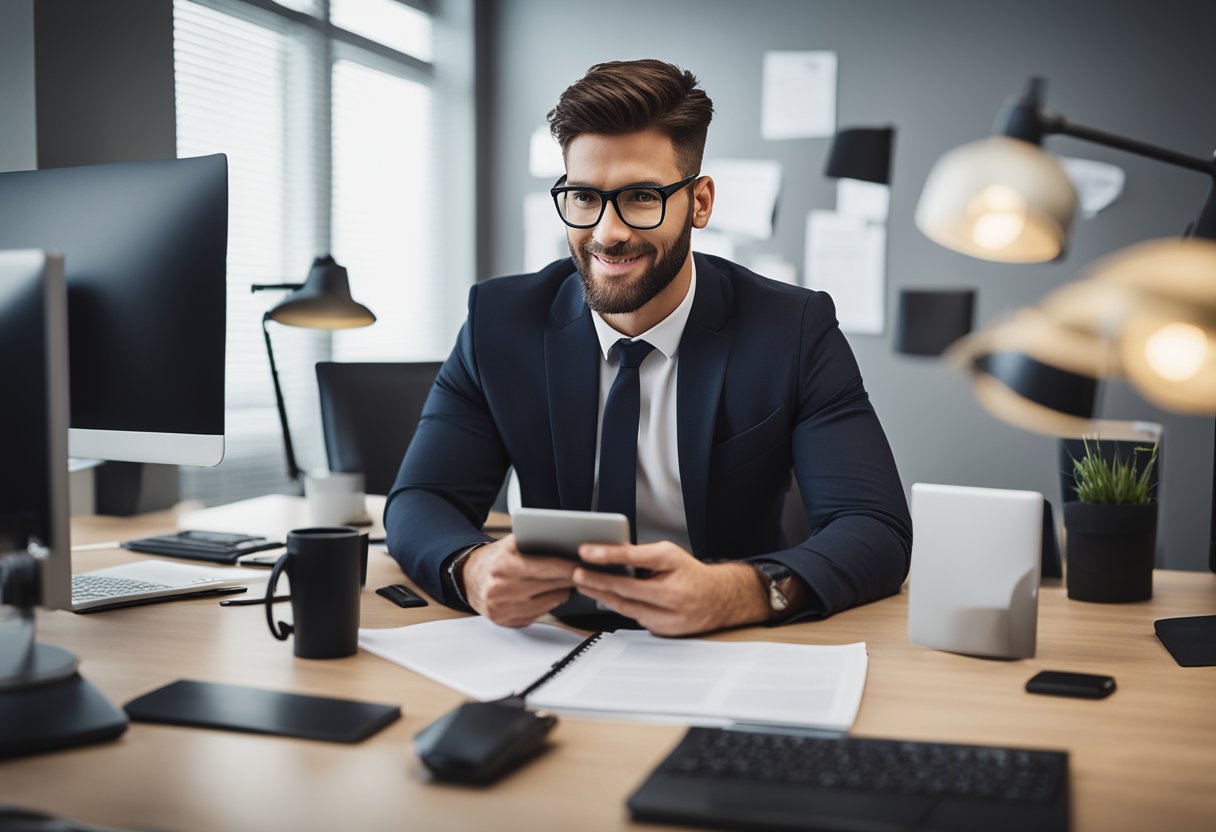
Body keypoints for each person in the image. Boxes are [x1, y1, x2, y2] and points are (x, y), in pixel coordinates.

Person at [385, 59, 911, 636]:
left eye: (640, 196)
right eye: (584, 196)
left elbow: (873, 527)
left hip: (731, 641)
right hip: (551, 639)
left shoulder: (795, 329)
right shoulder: (500, 322)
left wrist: (737, 593)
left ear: (700, 202)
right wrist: (473, 566)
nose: (608, 232)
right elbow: (422, 499)